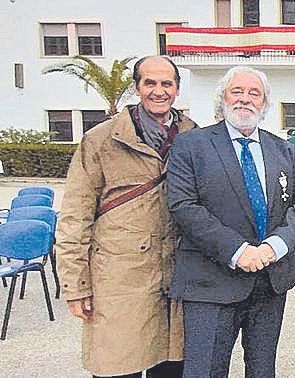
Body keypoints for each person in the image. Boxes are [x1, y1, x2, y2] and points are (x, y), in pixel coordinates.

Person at [165, 66, 295, 376]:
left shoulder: (283, 149)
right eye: (237, 91)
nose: (245, 99)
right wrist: (237, 250)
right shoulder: (191, 146)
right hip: (211, 281)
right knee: (205, 370)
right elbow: (183, 205)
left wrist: (275, 246)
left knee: (262, 370)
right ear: (223, 99)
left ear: (264, 104)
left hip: (270, 281)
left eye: (254, 93)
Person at [56, 55, 195, 378]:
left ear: (176, 89)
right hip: (118, 281)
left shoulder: (192, 135)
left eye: (166, 84)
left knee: (173, 367)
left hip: (175, 280)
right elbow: (75, 217)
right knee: (117, 368)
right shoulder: (101, 140)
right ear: (136, 87)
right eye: (150, 83)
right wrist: (76, 286)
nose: (158, 91)